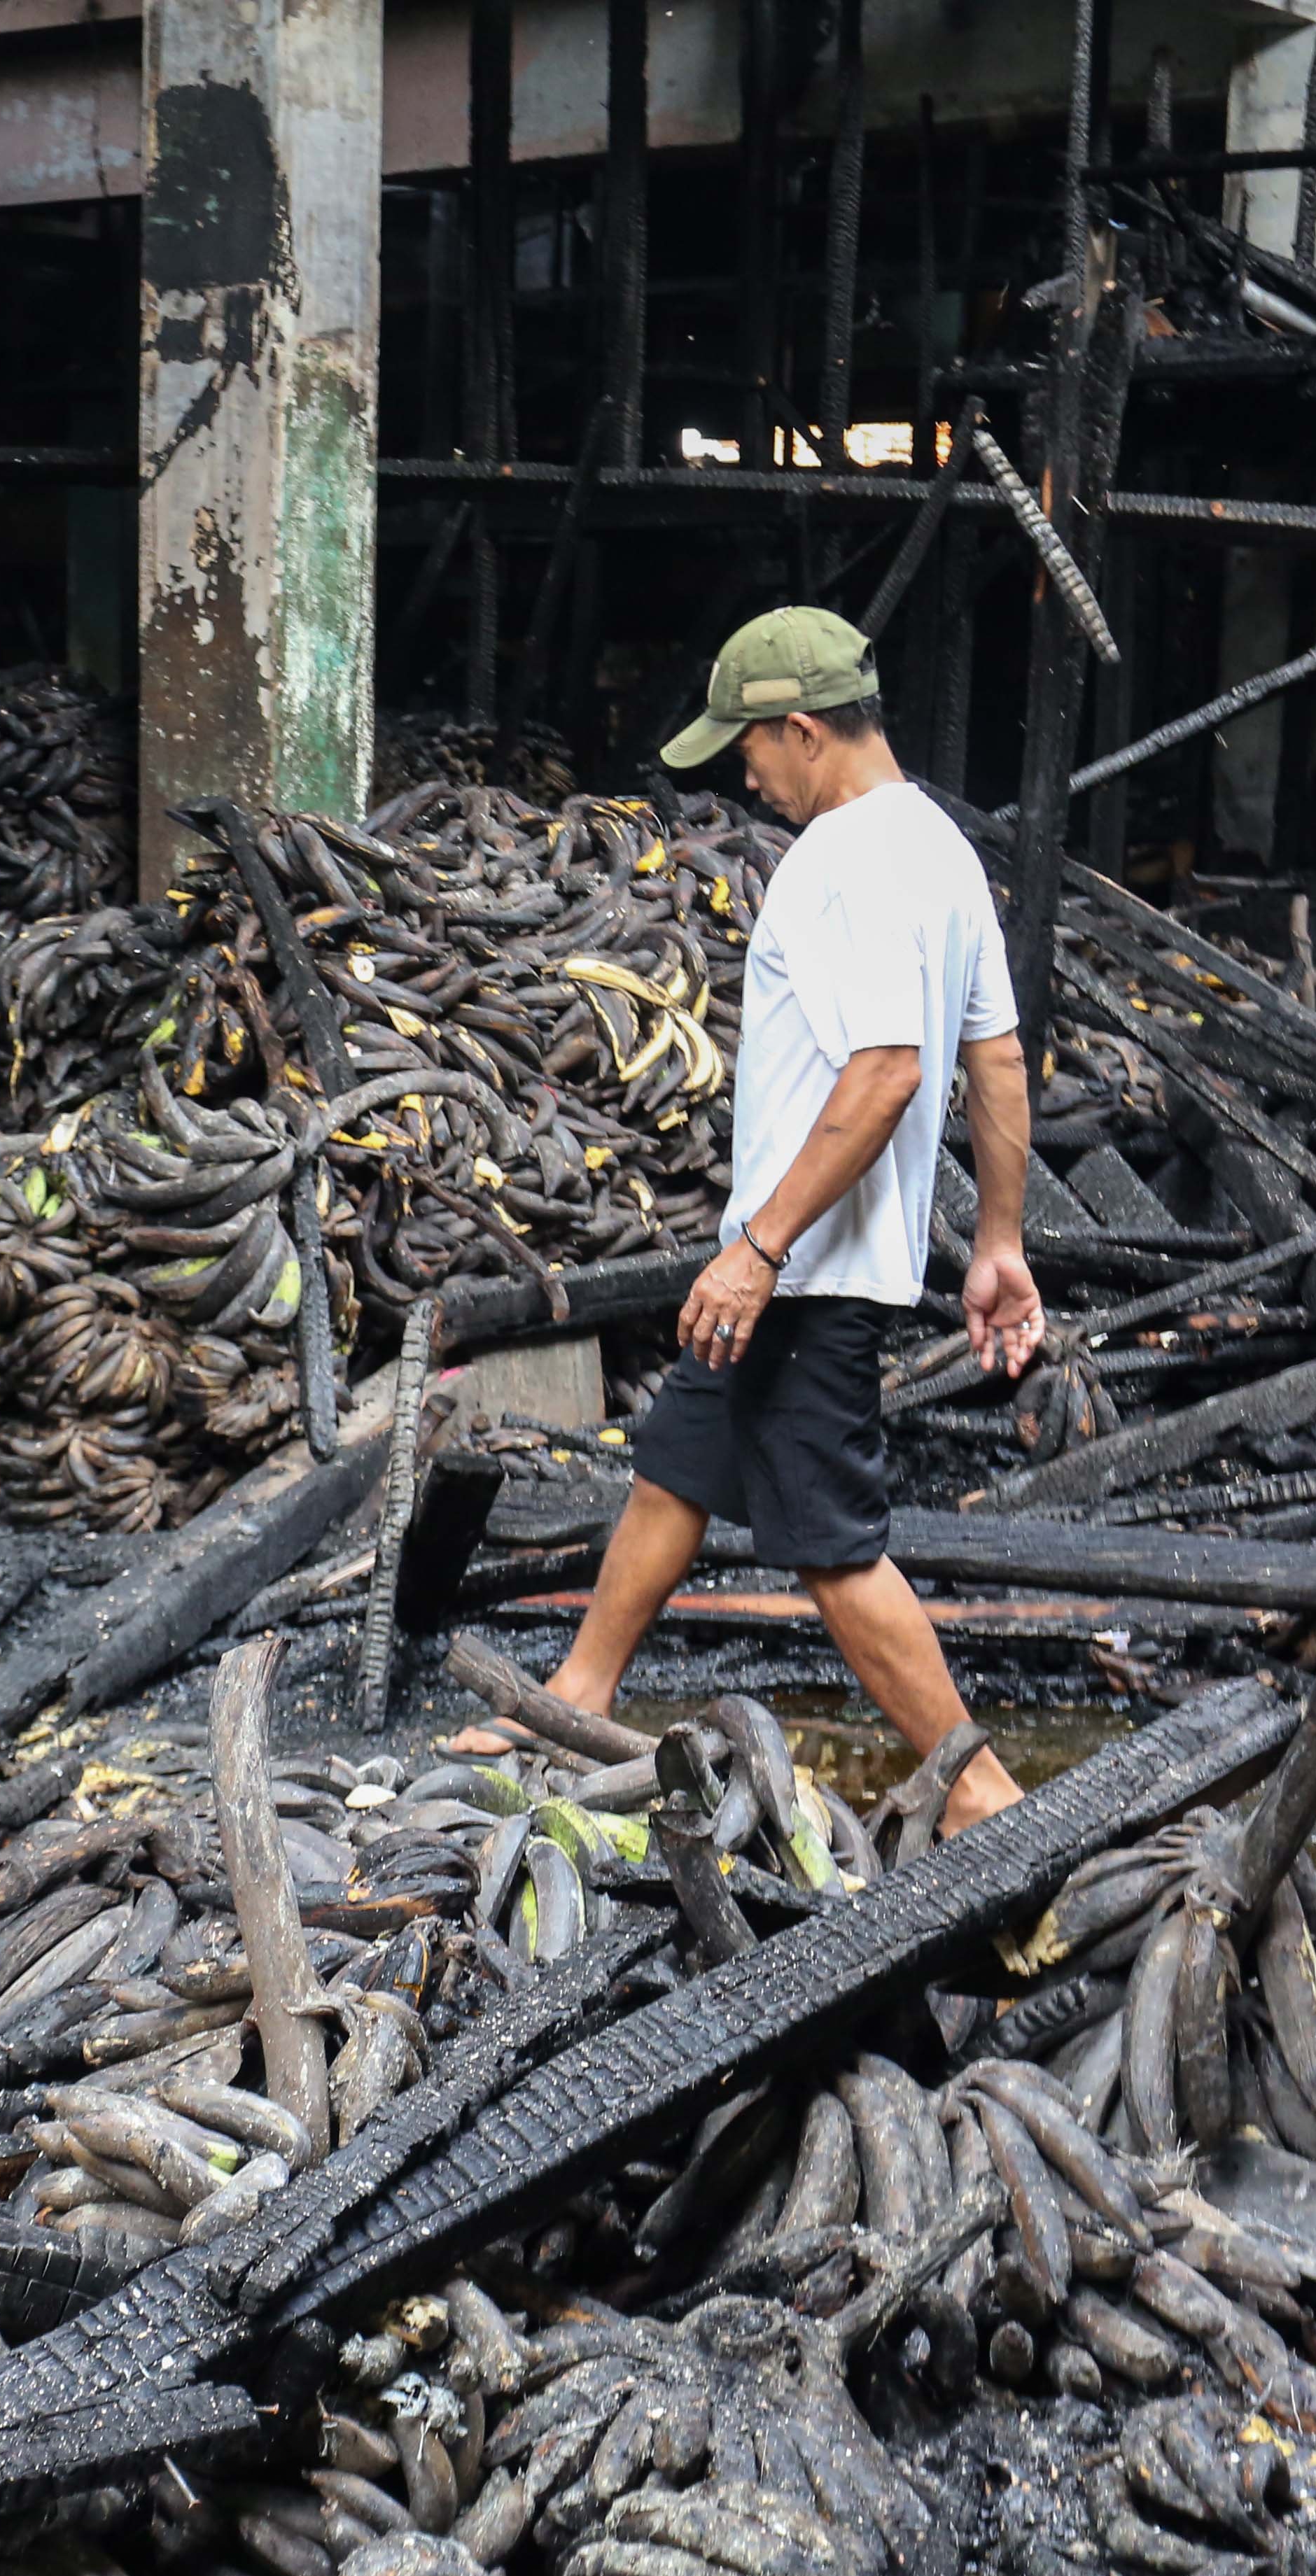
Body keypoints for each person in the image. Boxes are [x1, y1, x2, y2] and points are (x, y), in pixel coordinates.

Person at [451, 606, 1044, 1836]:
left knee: (829, 1543)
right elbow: (994, 1061)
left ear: (803, 728)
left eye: (751, 748)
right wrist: (997, 1241)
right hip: (820, 1259)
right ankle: (578, 1692)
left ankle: (980, 1789)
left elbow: (885, 1073)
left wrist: (758, 1245)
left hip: (807, 1263)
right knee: (682, 1456)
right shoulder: (937, 849)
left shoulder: (843, 862)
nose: (745, 773)